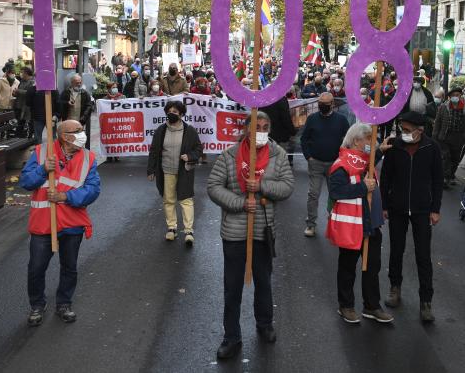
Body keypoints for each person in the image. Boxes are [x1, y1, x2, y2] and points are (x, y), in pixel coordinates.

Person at [207, 112, 294, 360]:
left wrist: (263, 186)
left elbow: (288, 186)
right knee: (232, 287)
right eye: (257, 127)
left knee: (264, 282)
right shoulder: (230, 155)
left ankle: (264, 323)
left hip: (263, 231)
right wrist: (239, 203)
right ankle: (231, 336)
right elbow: (213, 187)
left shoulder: (277, 155)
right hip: (234, 232)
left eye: (266, 127)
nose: (262, 131)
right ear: (246, 129)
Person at [19, 119, 101, 326]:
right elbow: (26, 182)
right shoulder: (41, 153)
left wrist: (66, 198)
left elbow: (93, 190)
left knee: (69, 267)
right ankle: (37, 305)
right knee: (36, 268)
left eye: (82, 129)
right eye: (78, 130)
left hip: (72, 224)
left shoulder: (88, 158)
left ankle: (64, 303)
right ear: (64, 136)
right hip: (43, 224)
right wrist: (43, 169)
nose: (83, 133)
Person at [380, 111, 443, 323]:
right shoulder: (395, 146)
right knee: (396, 250)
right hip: (397, 208)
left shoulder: (431, 148)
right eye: (401, 129)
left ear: (420, 130)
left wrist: (435, 209)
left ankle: (426, 301)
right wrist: (385, 204)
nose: (403, 133)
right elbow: (386, 176)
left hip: (422, 209)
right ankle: (394, 288)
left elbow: (437, 180)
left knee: (423, 255)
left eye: (407, 130)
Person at [328, 123, 392, 324]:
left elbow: (367, 164)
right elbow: (336, 192)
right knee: (348, 267)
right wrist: (363, 188)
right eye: (369, 141)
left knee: (372, 267)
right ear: (357, 141)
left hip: (371, 224)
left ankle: (371, 306)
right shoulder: (341, 164)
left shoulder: (364, 159)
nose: (372, 145)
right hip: (353, 226)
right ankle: (345, 305)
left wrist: (380, 151)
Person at [147, 100, 204, 244]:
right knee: (169, 199)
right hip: (166, 170)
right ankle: (171, 228)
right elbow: (154, 151)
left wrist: (190, 156)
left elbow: (198, 149)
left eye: (175, 112)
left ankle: (188, 231)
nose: (171, 114)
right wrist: (151, 169)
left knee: (186, 200)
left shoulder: (189, 130)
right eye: (169, 111)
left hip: (184, 170)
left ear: (181, 114)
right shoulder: (161, 130)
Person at [300, 92, 350, 237]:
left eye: (325, 104)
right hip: (315, 162)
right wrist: (308, 157)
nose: (322, 106)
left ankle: (335, 223)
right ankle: (311, 224)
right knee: (313, 194)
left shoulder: (341, 120)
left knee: (335, 195)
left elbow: (348, 139)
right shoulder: (312, 119)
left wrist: (343, 158)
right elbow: (304, 139)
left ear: (332, 104)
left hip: (335, 164)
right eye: (320, 104)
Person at [433, 87, 465, 185]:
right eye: (453, 95)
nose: (455, 97)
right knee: (446, 157)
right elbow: (437, 122)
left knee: (455, 158)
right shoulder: (444, 107)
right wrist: (435, 135)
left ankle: (451, 175)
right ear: (449, 97)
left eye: (457, 95)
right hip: (445, 136)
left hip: (458, 137)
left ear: (460, 96)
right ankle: (445, 177)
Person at [260, 94, 297, 166]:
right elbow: (286, 118)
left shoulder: (264, 99)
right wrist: (292, 131)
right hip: (280, 136)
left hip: (267, 134)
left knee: (268, 159)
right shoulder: (281, 99)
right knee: (280, 160)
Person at [59, 74, 94, 149]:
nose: (79, 84)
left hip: (80, 121)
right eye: (76, 82)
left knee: (79, 138)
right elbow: (59, 102)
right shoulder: (66, 92)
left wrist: (84, 118)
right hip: (68, 120)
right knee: (68, 138)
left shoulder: (84, 93)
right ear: (72, 83)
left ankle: (79, 151)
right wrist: (67, 103)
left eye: (80, 82)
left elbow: (89, 106)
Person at [13, 67, 35, 137]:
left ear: (26, 73)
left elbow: (30, 92)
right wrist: (14, 93)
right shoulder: (22, 81)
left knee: (27, 122)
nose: (21, 74)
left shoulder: (32, 82)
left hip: (26, 107)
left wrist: (18, 91)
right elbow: (19, 91)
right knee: (20, 123)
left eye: (22, 72)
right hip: (19, 105)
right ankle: (19, 136)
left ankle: (28, 136)